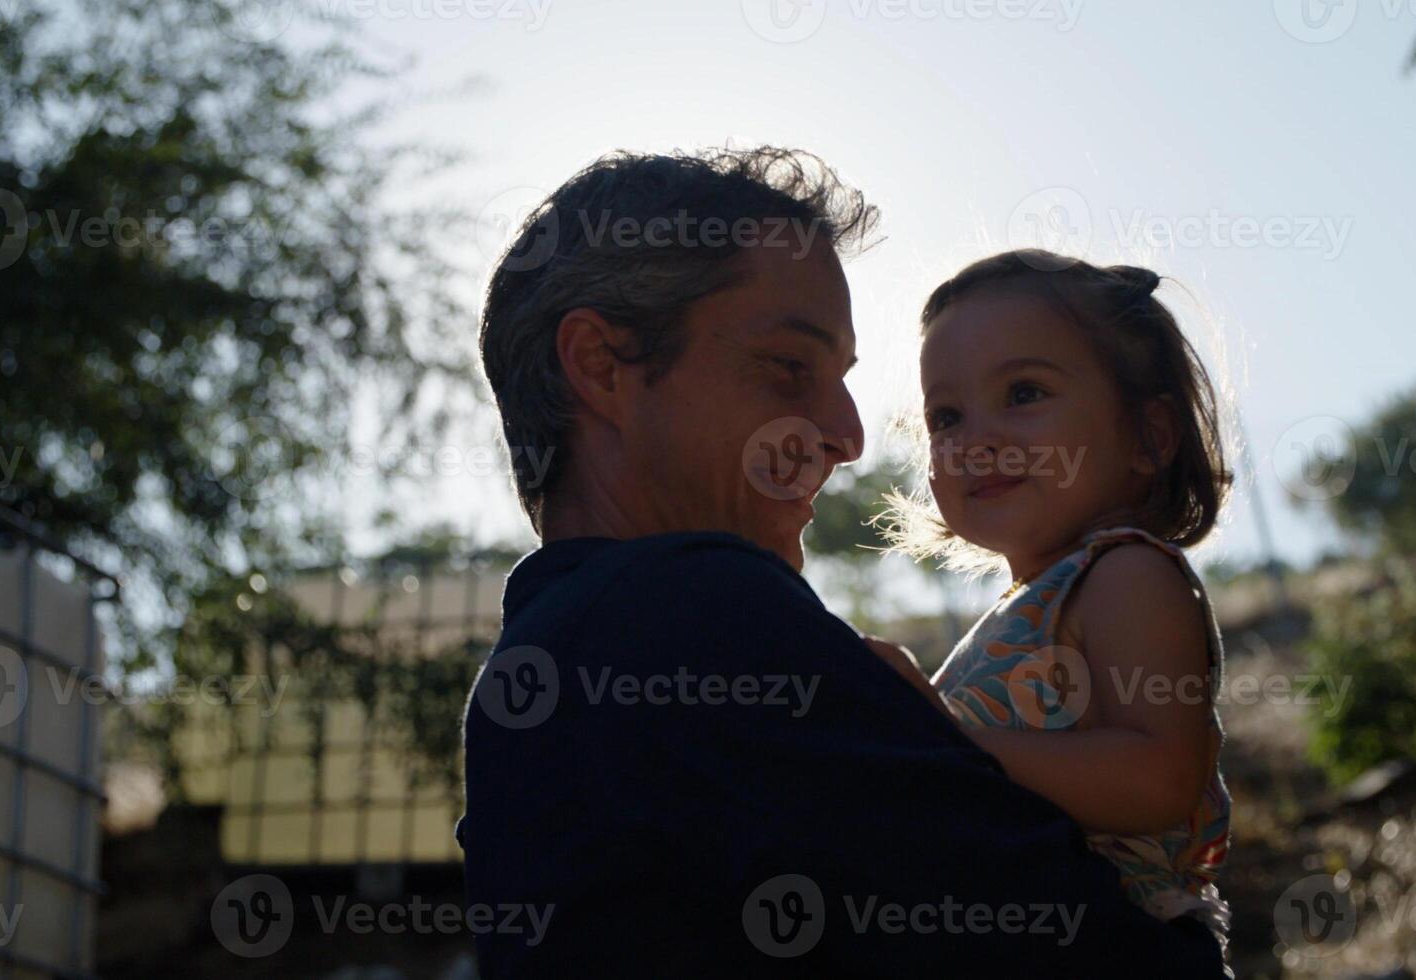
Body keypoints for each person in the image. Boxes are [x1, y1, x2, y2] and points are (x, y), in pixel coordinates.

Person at [459, 146, 1225, 977]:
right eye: (790, 367)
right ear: (604, 366)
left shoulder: (532, 679)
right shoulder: (687, 610)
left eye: (1027, 394)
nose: (850, 437)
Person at [880, 249, 1236, 970]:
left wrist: (940, 737)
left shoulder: (1126, 574)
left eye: (1023, 393)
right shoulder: (1024, 611)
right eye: (946, 415)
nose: (975, 438)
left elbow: (1162, 777)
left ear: (1148, 437)